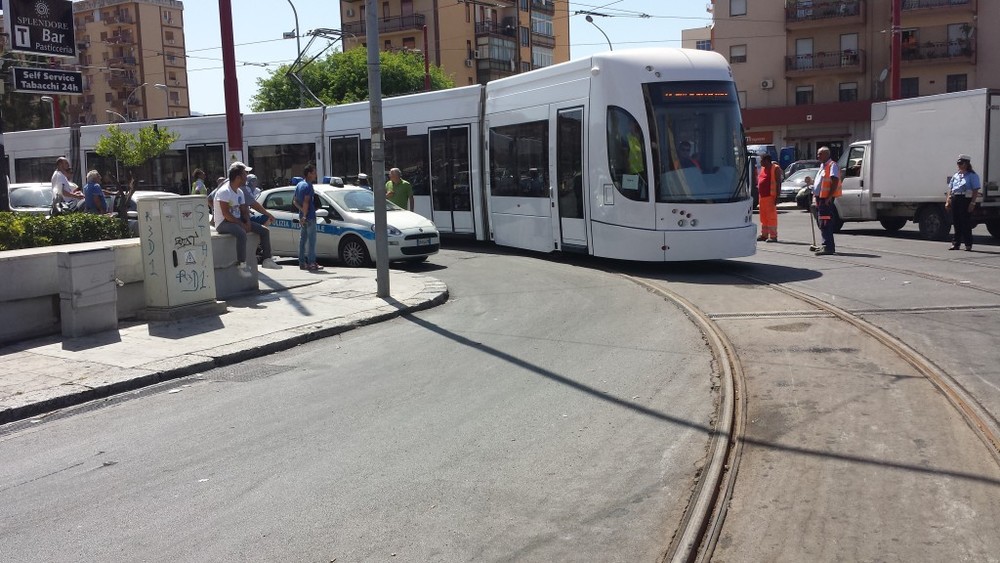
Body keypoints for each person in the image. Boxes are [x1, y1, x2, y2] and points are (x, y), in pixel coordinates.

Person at [213, 163, 254, 276]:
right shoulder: (224, 191)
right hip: (223, 223)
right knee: (241, 233)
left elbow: (244, 210)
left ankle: (267, 259)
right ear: (237, 178)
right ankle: (241, 265)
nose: (247, 177)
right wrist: (242, 225)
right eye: (245, 175)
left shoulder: (240, 192)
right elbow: (226, 214)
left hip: (235, 221)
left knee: (263, 230)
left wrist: (248, 222)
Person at [945, 153, 981, 251]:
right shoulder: (956, 175)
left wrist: (972, 203)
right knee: (956, 221)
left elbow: (975, 190)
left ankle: (968, 244)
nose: (959, 165)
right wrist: (948, 200)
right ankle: (956, 243)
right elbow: (950, 189)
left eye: (961, 163)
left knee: (965, 222)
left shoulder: (972, 175)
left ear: (966, 164)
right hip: (956, 198)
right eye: (958, 163)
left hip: (966, 199)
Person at [812, 146, 841, 255]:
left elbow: (835, 180)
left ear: (826, 154)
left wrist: (829, 196)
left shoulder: (832, 165)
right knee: (822, 222)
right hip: (820, 198)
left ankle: (828, 247)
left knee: (825, 222)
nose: (818, 156)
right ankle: (825, 244)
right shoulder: (822, 166)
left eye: (820, 154)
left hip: (826, 198)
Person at [294, 164, 323, 271]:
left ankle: (302, 263)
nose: (315, 175)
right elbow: (306, 202)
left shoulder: (299, 185)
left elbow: (295, 201)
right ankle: (311, 263)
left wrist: (302, 213)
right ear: (309, 174)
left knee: (302, 240)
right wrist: (305, 215)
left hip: (303, 216)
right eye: (314, 173)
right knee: (311, 241)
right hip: (309, 217)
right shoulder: (308, 186)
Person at [756, 153, 781, 242]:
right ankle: (764, 235)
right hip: (762, 197)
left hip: (771, 196)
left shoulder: (775, 168)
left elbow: (778, 183)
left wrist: (777, 196)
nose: (760, 162)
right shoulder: (763, 169)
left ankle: (773, 236)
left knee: (771, 217)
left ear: (766, 161)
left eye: (761, 160)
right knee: (763, 217)